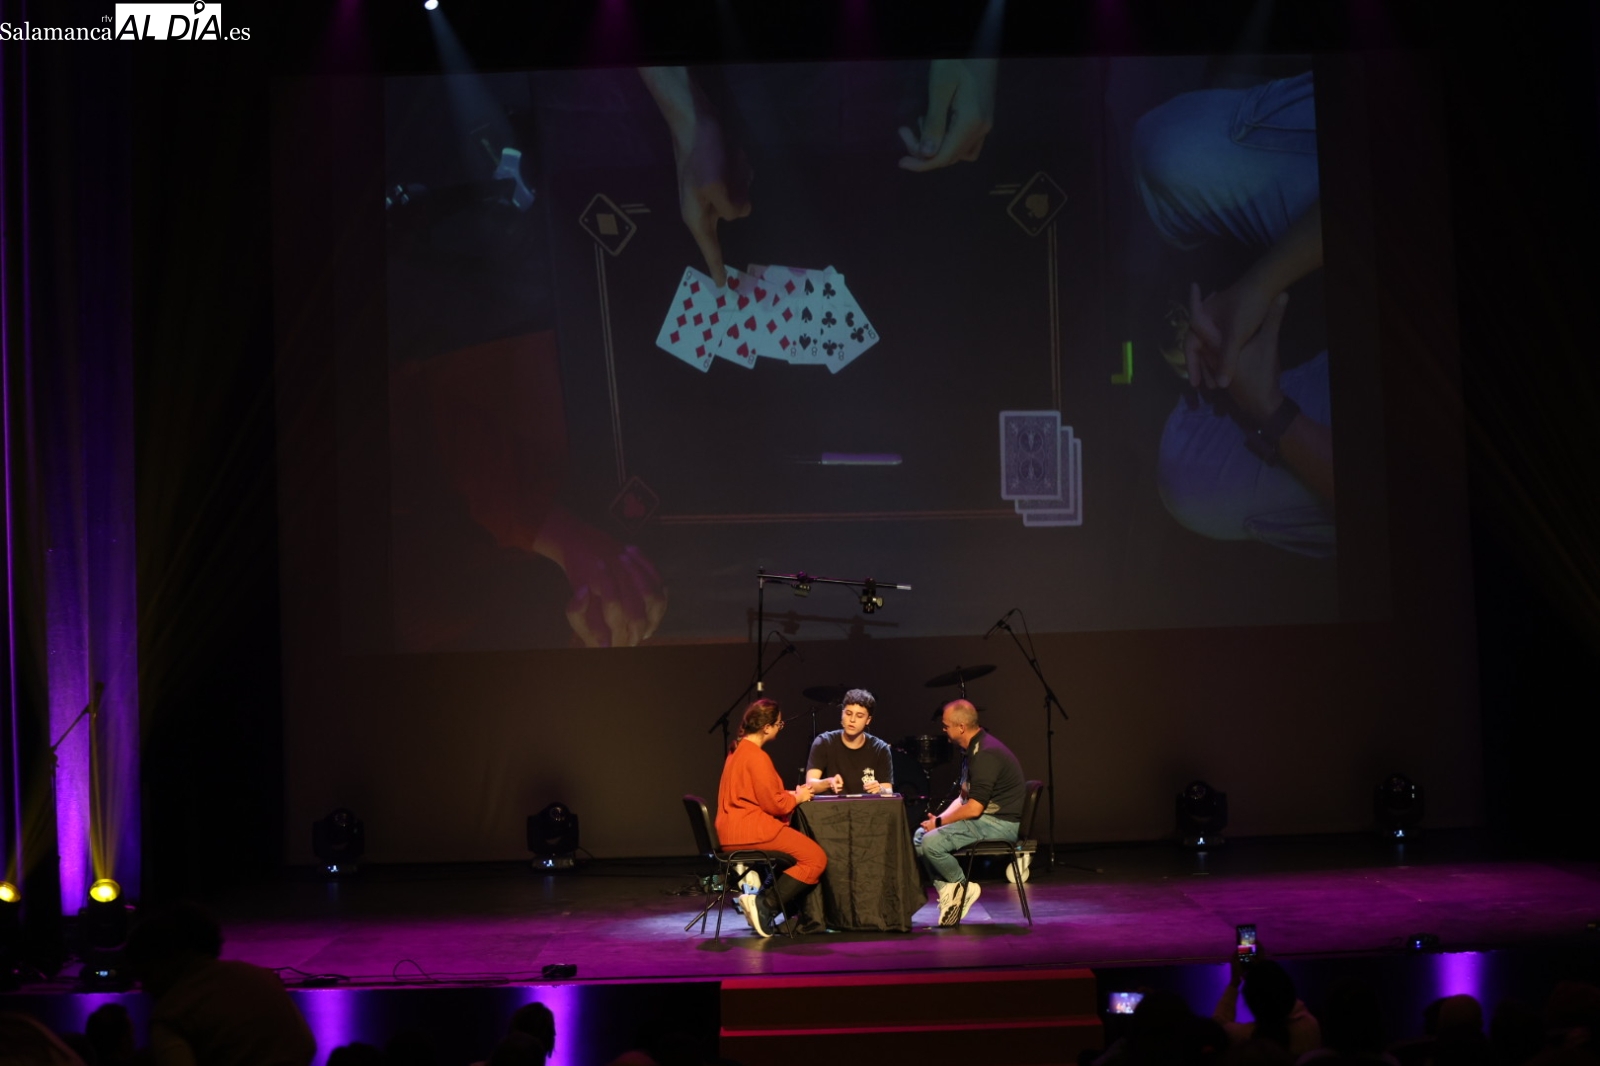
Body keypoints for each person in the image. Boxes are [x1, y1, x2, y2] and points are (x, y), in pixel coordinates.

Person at [125, 902, 316, 1066]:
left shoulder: (171, 1016)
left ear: (164, 960)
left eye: (144, 974)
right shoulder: (263, 978)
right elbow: (307, 1046)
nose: (145, 988)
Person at [716, 699, 828, 938]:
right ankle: (765, 905)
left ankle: (762, 904)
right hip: (750, 830)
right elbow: (775, 805)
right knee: (815, 858)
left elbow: (756, 795)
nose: (780, 727)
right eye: (779, 724)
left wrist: (792, 795)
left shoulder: (737, 751)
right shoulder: (756, 757)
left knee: (793, 857)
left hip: (731, 830)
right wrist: (798, 798)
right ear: (767, 727)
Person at [914, 698, 1026, 926]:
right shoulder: (971, 750)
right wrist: (939, 820)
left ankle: (961, 888)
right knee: (920, 836)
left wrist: (939, 825)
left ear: (961, 727)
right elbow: (963, 798)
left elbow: (974, 808)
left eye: (946, 725)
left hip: (999, 824)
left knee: (930, 843)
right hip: (985, 819)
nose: (943, 729)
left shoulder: (986, 754)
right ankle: (950, 893)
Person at [1212, 958, 1321, 1058]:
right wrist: (1265, 971)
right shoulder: (1310, 1027)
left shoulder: (1240, 1037)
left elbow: (1217, 1029)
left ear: (1249, 999)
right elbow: (1284, 997)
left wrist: (1234, 983)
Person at [806, 688, 895, 795]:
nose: (852, 720)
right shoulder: (824, 742)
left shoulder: (880, 749)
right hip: (833, 805)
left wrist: (880, 789)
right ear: (842, 714)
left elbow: (888, 791)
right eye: (848, 713)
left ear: (868, 720)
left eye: (859, 716)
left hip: (867, 805)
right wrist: (829, 782)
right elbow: (810, 785)